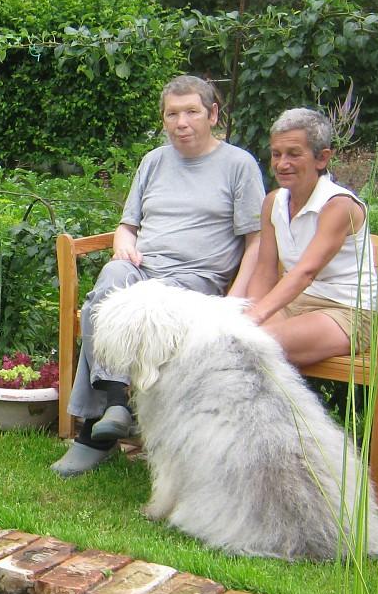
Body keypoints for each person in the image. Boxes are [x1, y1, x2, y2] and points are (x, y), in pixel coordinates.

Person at [52, 75, 264, 477]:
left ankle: (95, 435)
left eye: (191, 112)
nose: (181, 122)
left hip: (195, 281)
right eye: (172, 114)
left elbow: (256, 242)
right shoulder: (153, 161)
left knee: (113, 304)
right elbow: (127, 226)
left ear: (213, 114)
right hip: (144, 270)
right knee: (111, 281)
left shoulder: (239, 165)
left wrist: (234, 301)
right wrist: (123, 245)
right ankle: (117, 403)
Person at [243, 108, 378, 365]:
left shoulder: (339, 205)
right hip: (293, 305)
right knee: (229, 340)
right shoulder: (273, 202)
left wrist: (254, 319)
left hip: (344, 312)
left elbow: (306, 272)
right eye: (276, 154)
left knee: (253, 345)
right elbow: (264, 271)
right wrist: (248, 315)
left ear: (322, 158)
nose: (282, 164)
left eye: (293, 154)